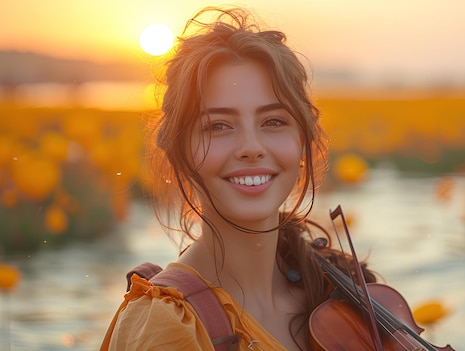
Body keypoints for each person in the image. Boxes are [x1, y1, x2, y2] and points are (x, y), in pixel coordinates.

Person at [100, 6, 375, 351]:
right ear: (178, 151)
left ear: (303, 141)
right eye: (218, 126)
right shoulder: (165, 326)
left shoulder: (338, 291)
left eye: (273, 121)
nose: (251, 147)